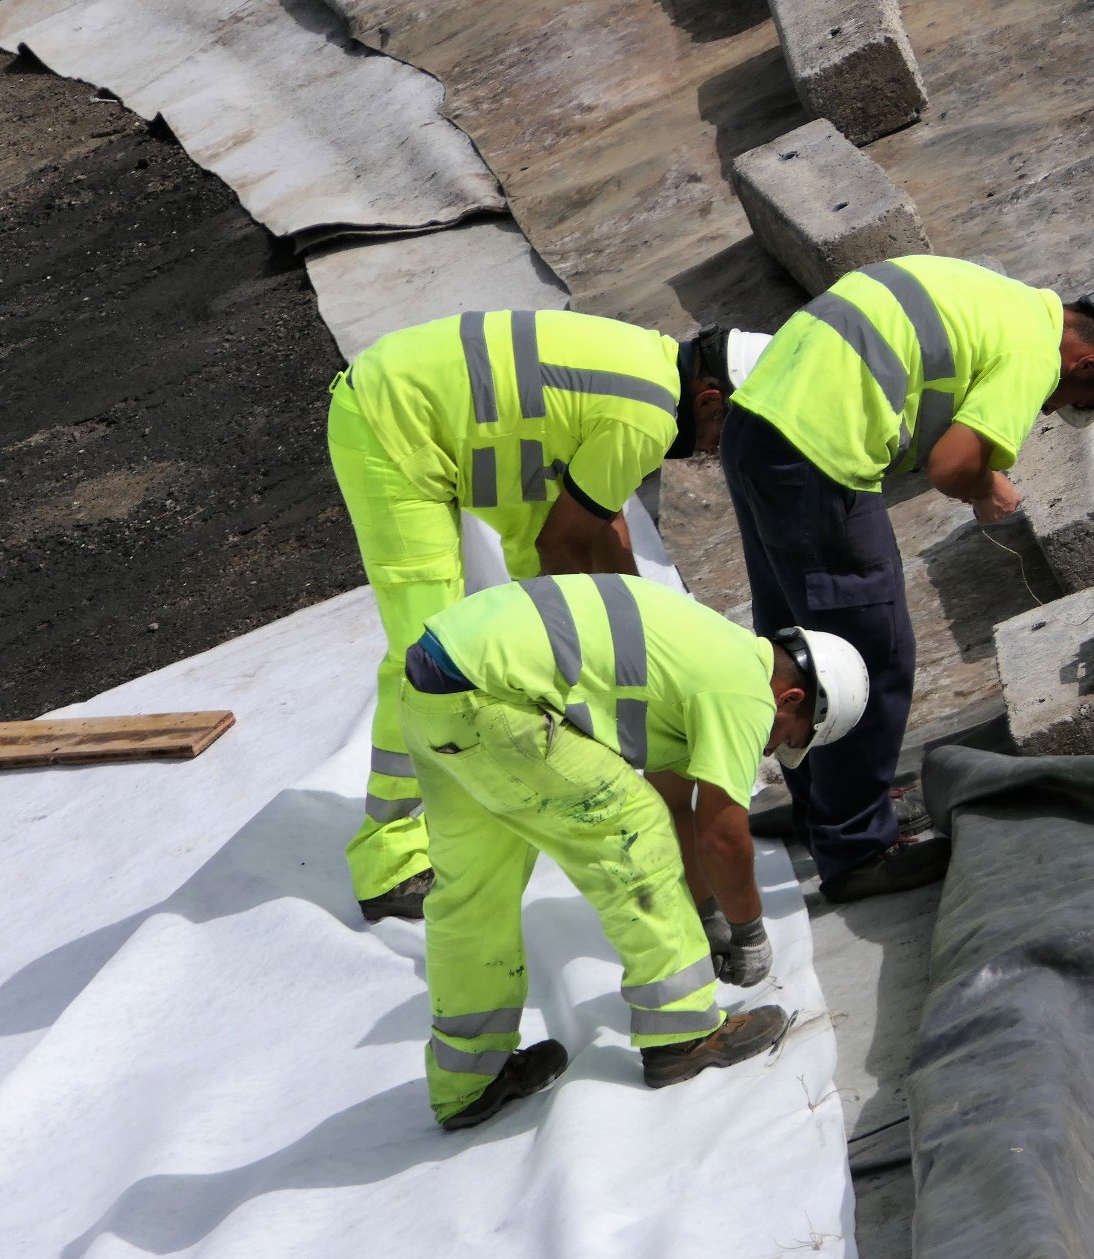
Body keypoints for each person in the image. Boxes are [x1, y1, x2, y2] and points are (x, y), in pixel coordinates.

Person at [722, 255, 1094, 902]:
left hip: (755, 423)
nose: (1051, 407)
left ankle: (823, 806)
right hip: (818, 451)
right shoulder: (1034, 353)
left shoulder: (999, 296)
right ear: (1089, 368)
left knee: (795, 641)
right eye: (1069, 403)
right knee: (871, 651)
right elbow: (952, 462)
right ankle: (856, 848)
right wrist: (987, 488)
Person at [329, 310, 771, 922]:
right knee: (427, 650)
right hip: (392, 421)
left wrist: (649, 641)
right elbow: (560, 551)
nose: (725, 451)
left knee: (543, 629)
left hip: (478, 426)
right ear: (710, 397)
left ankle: (505, 775)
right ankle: (389, 859)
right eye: (734, 430)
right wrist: (608, 671)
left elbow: (603, 526)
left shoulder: (651, 368)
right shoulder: (641, 417)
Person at [398, 572, 868, 1129]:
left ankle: (468, 1079)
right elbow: (720, 832)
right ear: (790, 698)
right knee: (632, 829)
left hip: (434, 688)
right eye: (789, 736)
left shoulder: (700, 655)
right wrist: (749, 933)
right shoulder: (742, 689)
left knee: (475, 888)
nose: (774, 748)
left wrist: (706, 915)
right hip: (490, 698)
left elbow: (678, 803)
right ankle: (683, 1033)